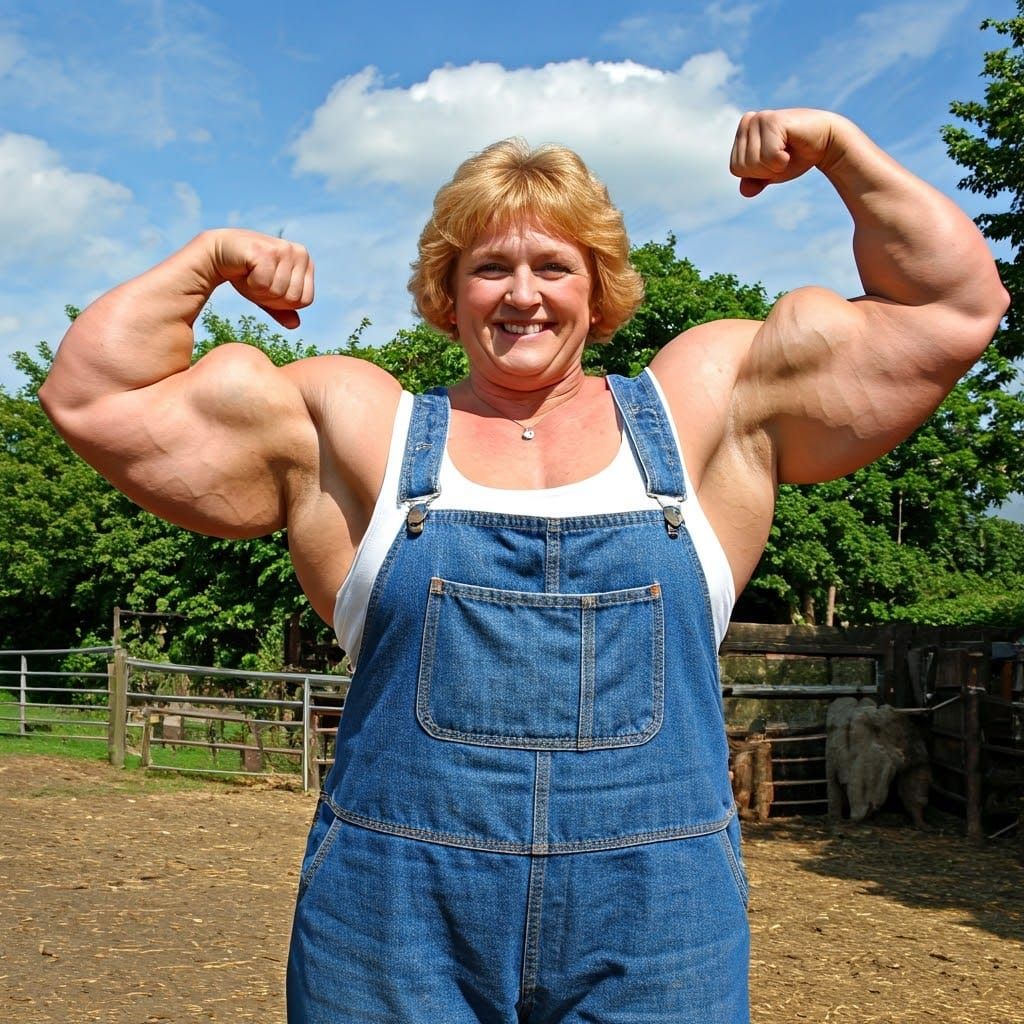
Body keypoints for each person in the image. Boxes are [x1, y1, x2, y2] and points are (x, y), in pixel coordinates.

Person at [39, 108, 1007, 1023]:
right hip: (393, 927)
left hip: (656, 930)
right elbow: (93, 395)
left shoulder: (705, 409)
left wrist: (841, 150)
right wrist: (208, 261)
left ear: (598, 285)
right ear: (447, 288)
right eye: (489, 266)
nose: (523, 292)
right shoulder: (362, 428)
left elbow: (954, 303)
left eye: (554, 264)